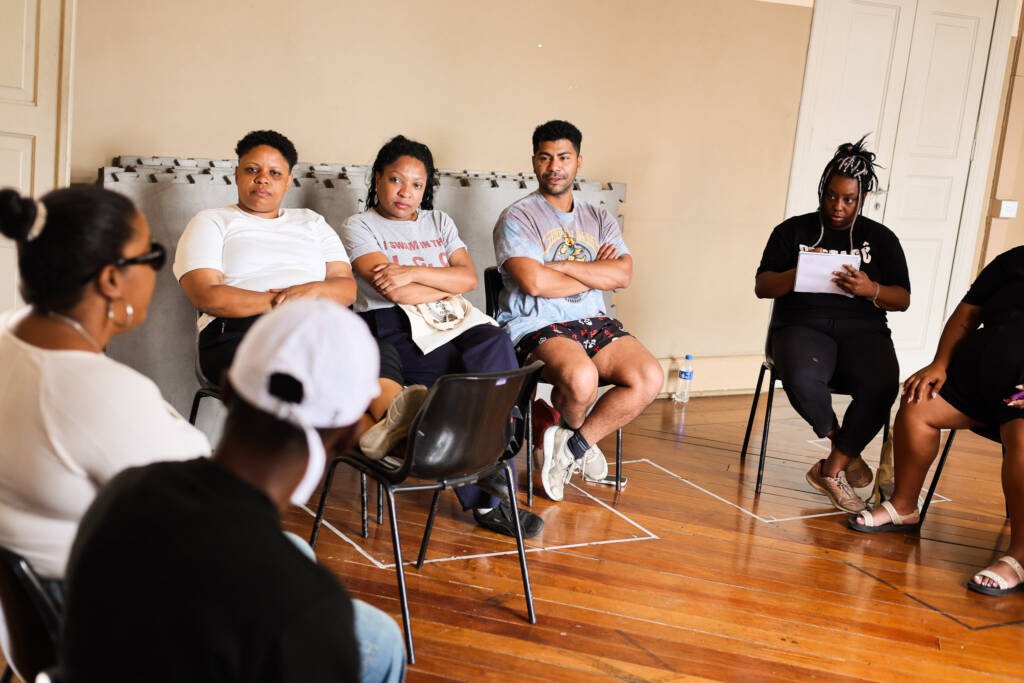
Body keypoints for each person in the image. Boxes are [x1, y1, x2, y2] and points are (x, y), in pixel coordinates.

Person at [58, 300, 406, 682]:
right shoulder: (309, 608)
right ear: (347, 438)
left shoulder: (125, 490)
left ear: (225, 388)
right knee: (380, 637)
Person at [0, 186, 210, 600]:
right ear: (112, 279)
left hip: (24, 614)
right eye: (152, 256)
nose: (155, 269)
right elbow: (202, 505)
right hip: (108, 621)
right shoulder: (98, 392)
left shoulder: (8, 331)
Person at [342, 134, 543, 538]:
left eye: (417, 185)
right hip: (394, 324)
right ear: (378, 178)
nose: (406, 193)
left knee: (494, 340)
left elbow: (467, 279)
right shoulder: (358, 225)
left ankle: (494, 445)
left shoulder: (439, 221)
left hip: (452, 318)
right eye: (397, 180)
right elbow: (392, 291)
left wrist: (413, 271)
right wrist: (441, 282)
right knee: (455, 389)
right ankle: (487, 499)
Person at [173, 129, 417, 453]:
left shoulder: (311, 222)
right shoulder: (212, 221)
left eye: (274, 173)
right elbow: (208, 296)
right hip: (239, 334)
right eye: (252, 170)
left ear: (288, 182)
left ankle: (388, 424)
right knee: (308, 366)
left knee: (374, 349)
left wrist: (313, 290)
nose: (262, 180)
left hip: (316, 330)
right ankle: (396, 437)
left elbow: (344, 288)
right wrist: (283, 301)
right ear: (236, 174)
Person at [492, 120, 662, 503]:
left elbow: (623, 273)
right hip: (537, 322)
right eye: (546, 157)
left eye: (564, 157)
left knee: (649, 377)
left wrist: (561, 267)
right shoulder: (517, 218)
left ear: (578, 162)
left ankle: (571, 446)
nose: (555, 166)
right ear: (534, 162)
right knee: (582, 379)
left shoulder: (599, 217)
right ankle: (563, 433)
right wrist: (594, 275)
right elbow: (534, 283)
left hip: (593, 322)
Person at [849, 246, 1024, 596]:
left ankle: (1020, 555)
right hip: (978, 379)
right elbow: (967, 313)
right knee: (918, 402)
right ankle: (903, 506)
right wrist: (940, 363)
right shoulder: (1013, 260)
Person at [755, 137, 910, 513]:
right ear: (822, 192)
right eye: (831, 197)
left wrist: (868, 288)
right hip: (801, 325)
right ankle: (846, 452)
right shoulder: (792, 231)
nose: (838, 207)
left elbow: (902, 299)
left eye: (849, 200)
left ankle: (831, 468)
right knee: (802, 375)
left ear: (862, 198)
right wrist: (801, 270)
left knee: (883, 383)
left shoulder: (882, 238)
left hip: (863, 328)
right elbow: (762, 287)